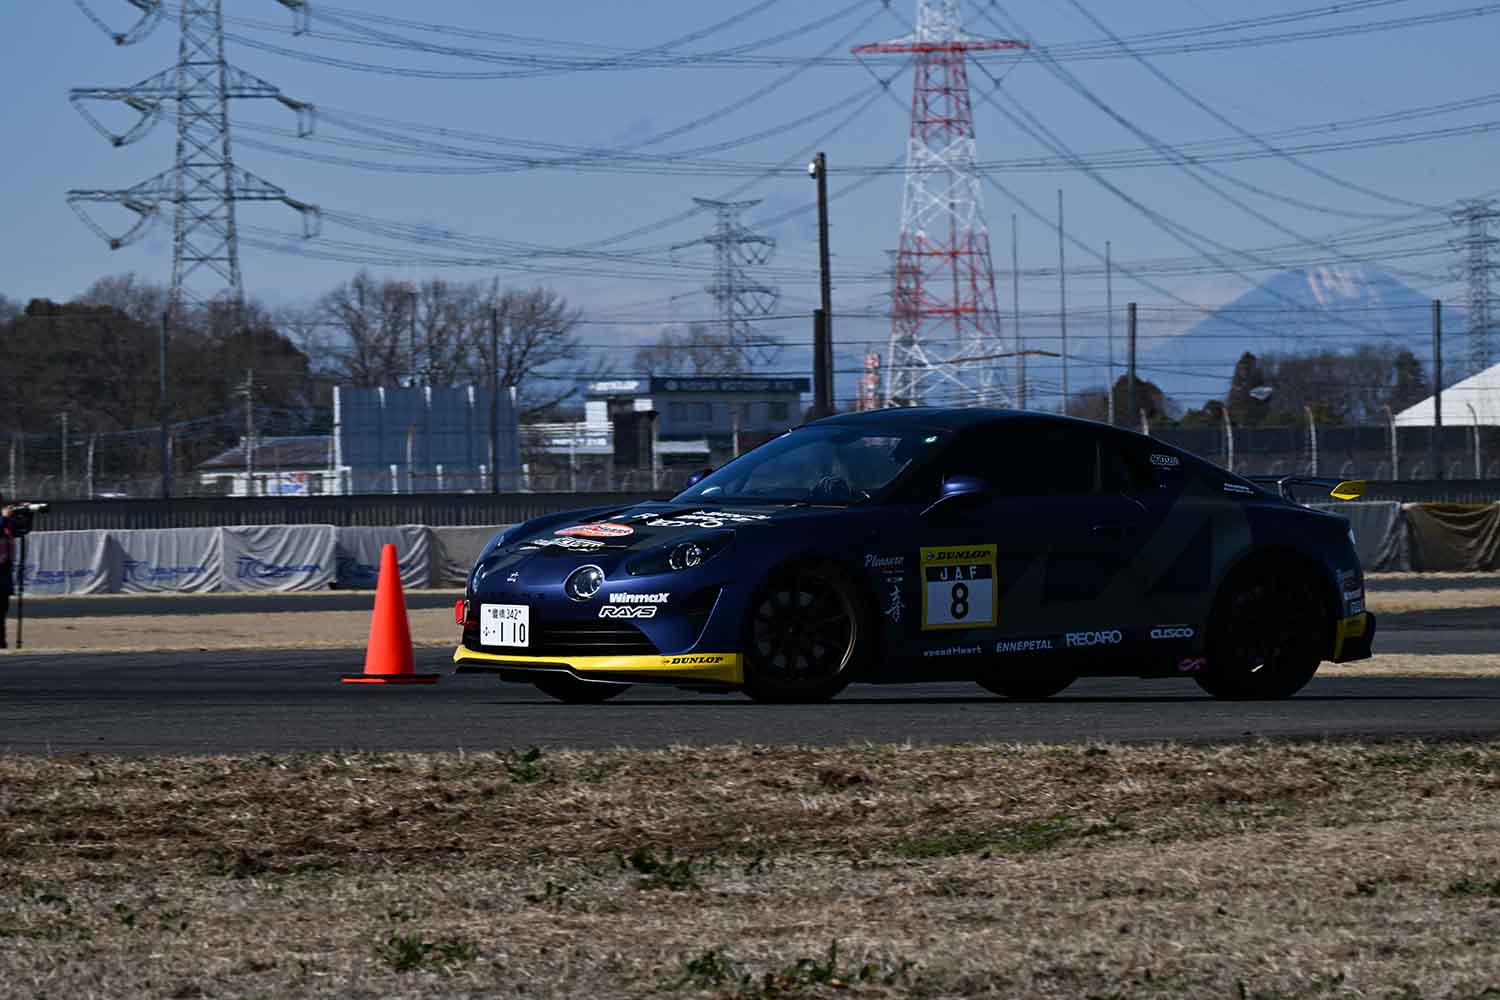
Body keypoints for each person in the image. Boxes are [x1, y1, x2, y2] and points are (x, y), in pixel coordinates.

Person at [0, 494, 13, 649]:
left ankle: (1, 644)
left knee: (1, 613)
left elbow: (20, 531)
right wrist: (3, 519)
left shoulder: (4, 521)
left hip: (3, 572)